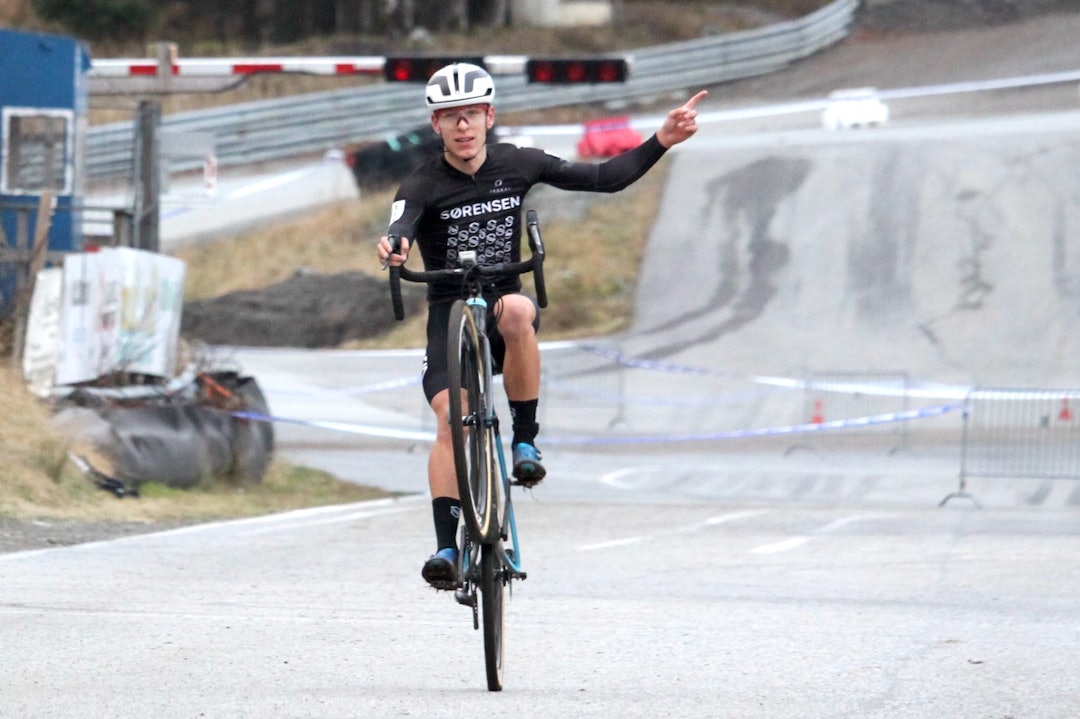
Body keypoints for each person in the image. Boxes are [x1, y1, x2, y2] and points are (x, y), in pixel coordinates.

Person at [376, 62, 706, 590]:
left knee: (521, 311)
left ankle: (524, 443)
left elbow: (603, 178)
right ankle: (446, 548)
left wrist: (661, 140)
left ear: (488, 116)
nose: (462, 127)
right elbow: (400, 227)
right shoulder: (420, 183)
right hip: (449, 314)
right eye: (449, 118)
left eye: (470, 116)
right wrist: (394, 247)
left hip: (501, 297)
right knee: (451, 422)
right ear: (435, 125)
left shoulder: (518, 162)